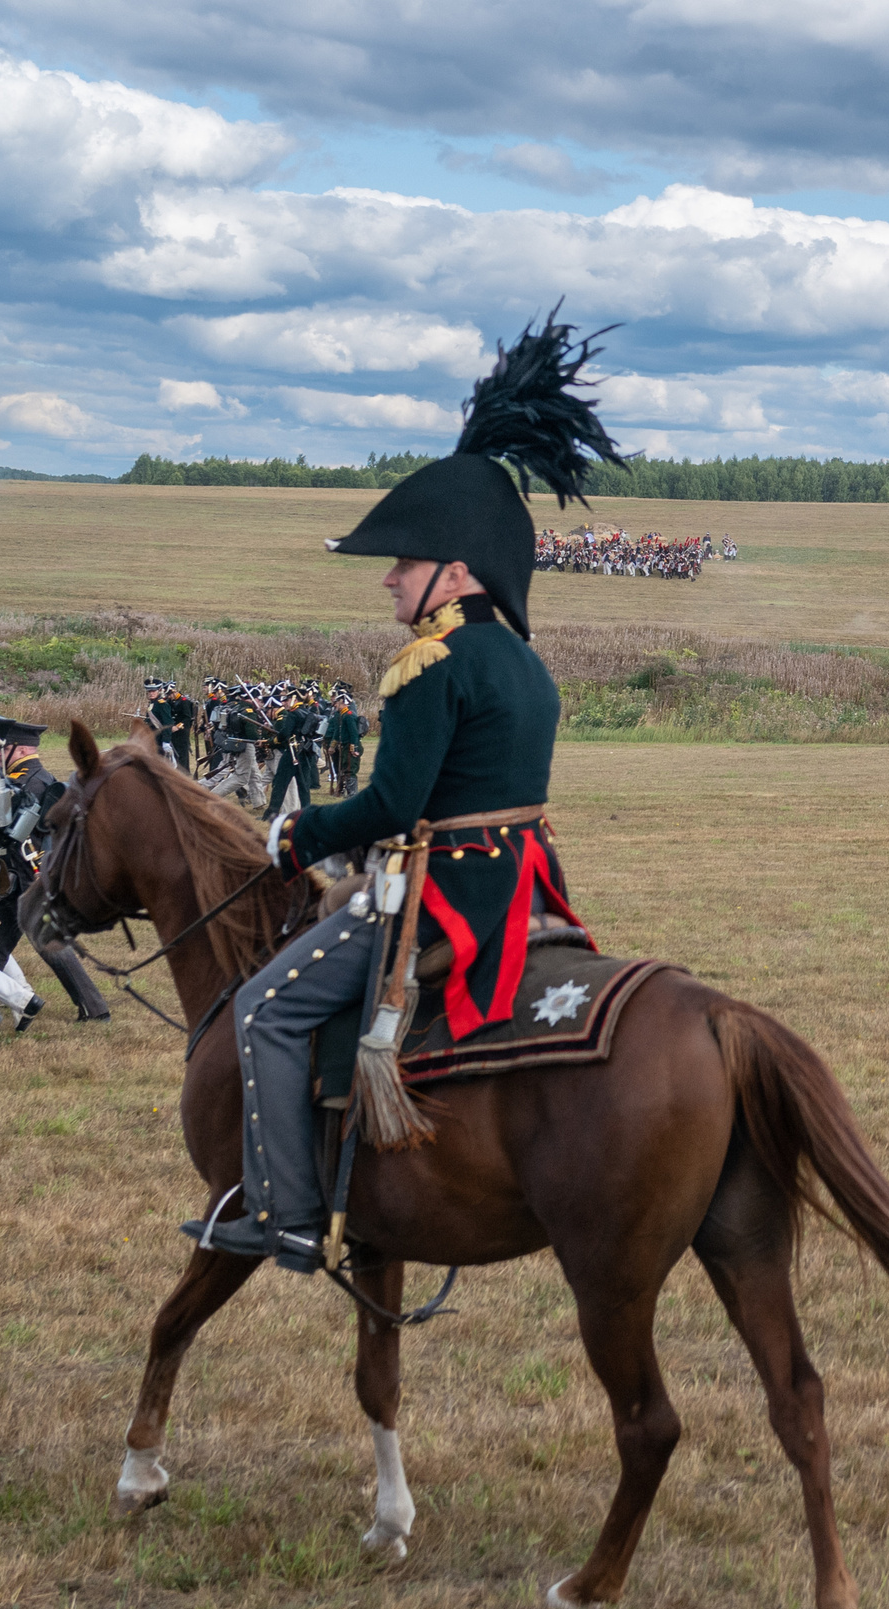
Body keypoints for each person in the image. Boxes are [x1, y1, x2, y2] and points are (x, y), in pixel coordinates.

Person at [185, 315, 613, 1272]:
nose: (388, 580)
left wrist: (298, 835)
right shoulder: (527, 667)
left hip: (442, 897)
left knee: (264, 1010)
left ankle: (286, 1215)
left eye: (404, 564)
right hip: (524, 887)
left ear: (454, 573)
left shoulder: (431, 661)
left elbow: (392, 803)